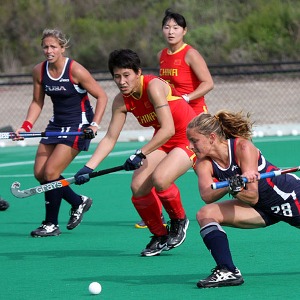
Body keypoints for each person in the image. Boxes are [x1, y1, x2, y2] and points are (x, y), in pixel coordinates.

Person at [74, 49, 196, 256]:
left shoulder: (154, 87)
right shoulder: (121, 101)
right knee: (138, 186)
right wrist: (88, 166)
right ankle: (159, 234)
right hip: (163, 140)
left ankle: (179, 220)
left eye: (126, 75)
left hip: (190, 137)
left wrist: (140, 153)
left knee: (161, 179)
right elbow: (110, 138)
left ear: (138, 72)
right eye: (117, 76)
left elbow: (169, 129)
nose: (121, 81)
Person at [186, 110, 300, 288]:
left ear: (212, 137)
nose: (190, 146)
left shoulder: (243, 148)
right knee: (206, 214)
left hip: (290, 198)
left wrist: (236, 188)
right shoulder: (203, 163)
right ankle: (228, 270)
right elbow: (207, 196)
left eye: (194, 140)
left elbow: (252, 196)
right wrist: (232, 185)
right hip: (262, 210)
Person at [15, 28, 108, 237]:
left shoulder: (75, 70)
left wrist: (95, 125)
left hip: (77, 127)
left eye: (53, 47)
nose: (49, 50)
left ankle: (50, 224)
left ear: (62, 48)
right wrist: (26, 126)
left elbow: (102, 96)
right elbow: (37, 102)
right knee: (40, 174)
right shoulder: (39, 71)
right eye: (45, 47)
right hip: (56, 125)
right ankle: (78, 201)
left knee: (51, 174)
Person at [135, 9, 214, 229]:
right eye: (167, 27)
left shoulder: (191, 54)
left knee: (202, 165)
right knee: (154, 167)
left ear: (184, 31)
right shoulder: (162, 54)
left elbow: (208, 83)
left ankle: (223, 196)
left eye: (176, 28)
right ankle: (155, 212)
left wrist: (187, 97)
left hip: (195, 116)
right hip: (173, 117)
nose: (171, 32)